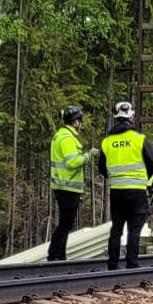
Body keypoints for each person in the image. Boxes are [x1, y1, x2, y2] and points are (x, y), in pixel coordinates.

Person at [99, 102, 153, 269]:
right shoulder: (139, 139)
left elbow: (102, 168)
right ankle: (132, 263)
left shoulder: (107, 142)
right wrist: (145, 181)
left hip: (117, 191)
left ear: (116, 117)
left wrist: (117, 178)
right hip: (137, 191)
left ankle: (112, 264)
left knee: (116, 228)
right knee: (134, 229)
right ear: (131, 117)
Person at [47, 105, 90, 261]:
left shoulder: (60, 135)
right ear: (76, 122)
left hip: (62, 185)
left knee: (65, 223)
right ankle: (55, 255)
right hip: (68, 187)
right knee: (65, 223)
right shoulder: (68, 138)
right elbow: (72, 163)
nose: (81, 124)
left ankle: (60, 255)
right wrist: (88, 156)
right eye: (80, 121)